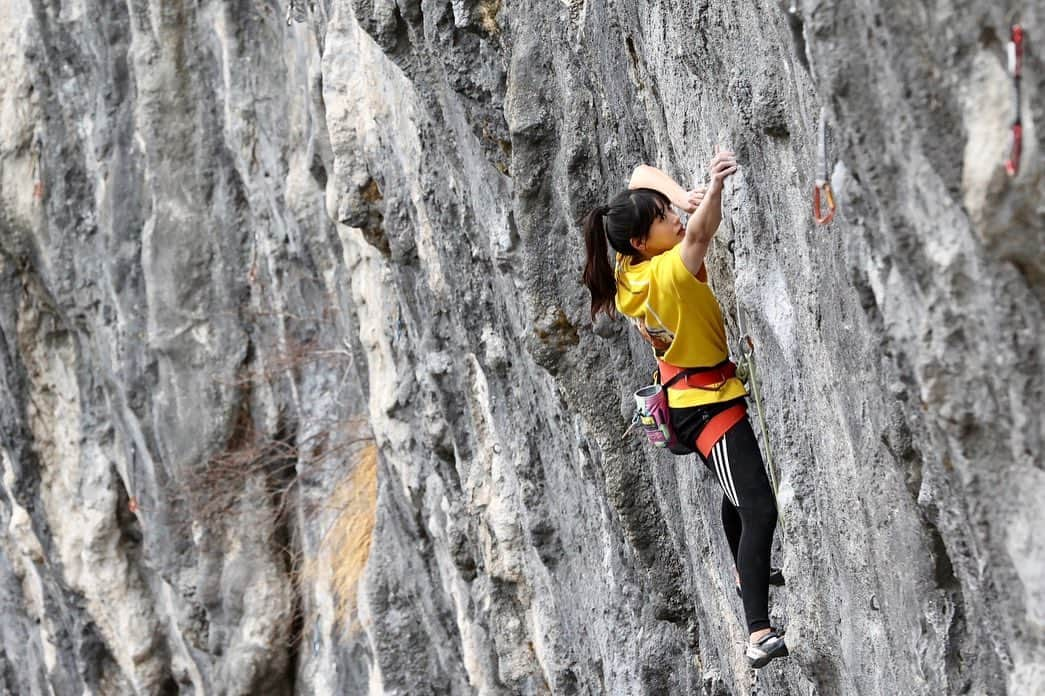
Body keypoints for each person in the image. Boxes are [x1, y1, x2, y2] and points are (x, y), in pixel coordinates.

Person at [580, 150, 789, 669]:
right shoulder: (668, 275)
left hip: (689, 397)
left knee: (736, 492)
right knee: (758, 506)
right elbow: (700, 235)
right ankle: (757, 630)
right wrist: (712, 190)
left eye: (670, 215)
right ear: (641, 241)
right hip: (703, 405)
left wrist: (675, 197)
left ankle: (747, 572)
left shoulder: (630, 270)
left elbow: (637, 177)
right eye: (663, 220)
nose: (675, 220)